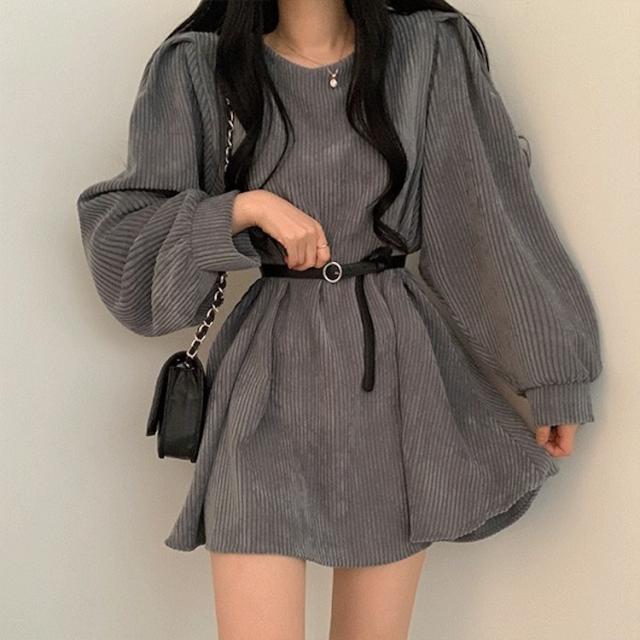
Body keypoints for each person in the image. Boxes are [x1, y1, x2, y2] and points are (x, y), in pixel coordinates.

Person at [76, 0, 603, 637]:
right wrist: (241, 210)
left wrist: (551, 374)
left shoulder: (429, 53)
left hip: (392, 381)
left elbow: (483, 216)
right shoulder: (198, 66)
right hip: (264, 386)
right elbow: (124, 247)